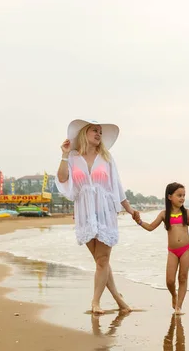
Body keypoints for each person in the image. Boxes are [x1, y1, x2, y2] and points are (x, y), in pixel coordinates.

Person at [55, 118, 140, 314]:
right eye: (94, 130)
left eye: (100, 131)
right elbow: (62, 178)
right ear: (85, 133)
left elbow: (117, 186)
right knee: (101, 262)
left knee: (102, 260)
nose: (98, 134)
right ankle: (120, 300)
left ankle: (95, 302)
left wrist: (129, 209)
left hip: (105, 211)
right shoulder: (74, 157)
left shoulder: (107, 158)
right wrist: (64, 155)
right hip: (84, 213)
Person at [133, 182, 189, 315]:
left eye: (184, 195)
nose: (182, 198)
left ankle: (178, 307)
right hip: (172, 251)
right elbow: (150, 227)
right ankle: (173, 295)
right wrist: (139, 221)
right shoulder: (164, 214)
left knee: (182, 277)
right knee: (170, 281)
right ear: (170, 197)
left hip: (186, 249)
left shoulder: (187, 213)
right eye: (179, 195)